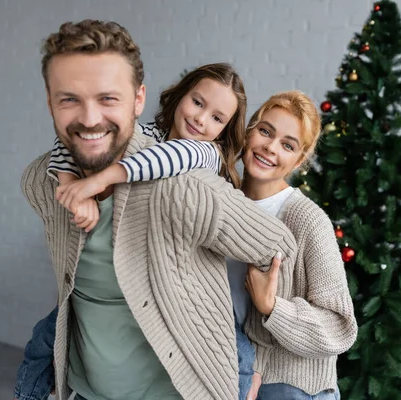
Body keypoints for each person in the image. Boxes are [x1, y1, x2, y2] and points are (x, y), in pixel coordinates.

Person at [18, 19, 297, 400]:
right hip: (99, 357)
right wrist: (69, 184)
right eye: (197, 103)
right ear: (180, 95)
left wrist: (102, 179)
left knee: (234, 356)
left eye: (216, 118)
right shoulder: (143, 134)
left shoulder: (203, 156)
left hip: (197, 313)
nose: (200, 119)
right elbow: (72, 139)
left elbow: (171, 158)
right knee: (44, 339)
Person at [239, 92, 357, 400]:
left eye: (288, 145)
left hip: (293, 389)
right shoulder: (224, 200)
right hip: (232, 378)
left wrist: (272, 307)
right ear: (250, 130)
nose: (270, 147)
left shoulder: (307, 220)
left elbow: (340, 326)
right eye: (265, 131)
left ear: (299, 160)